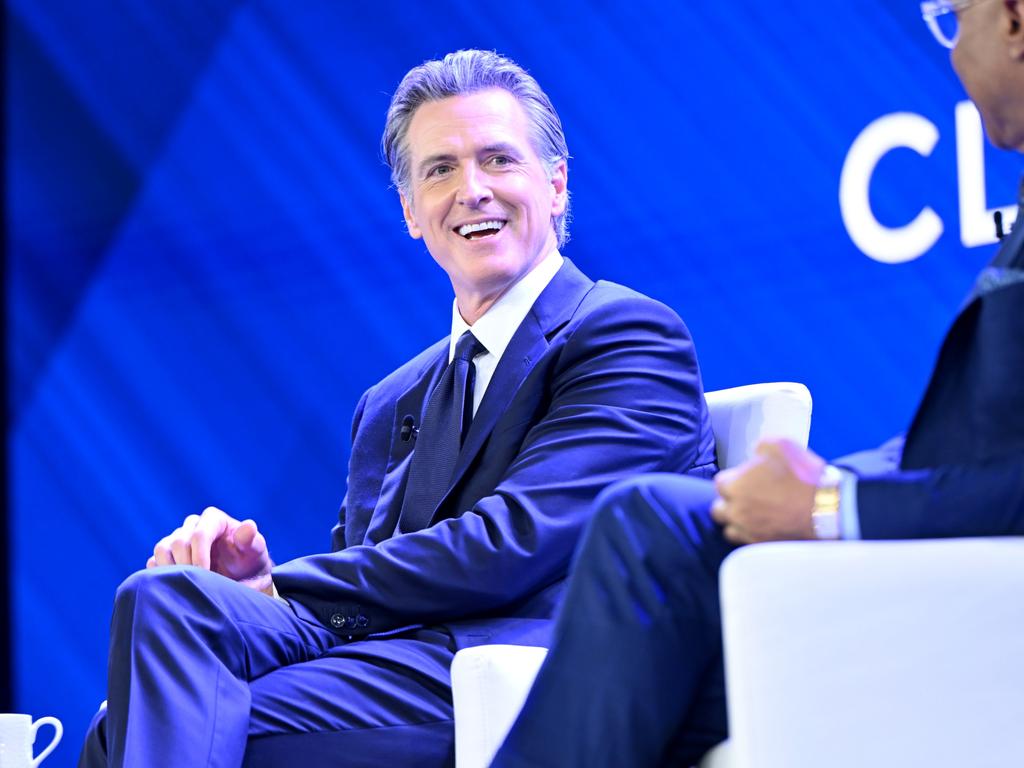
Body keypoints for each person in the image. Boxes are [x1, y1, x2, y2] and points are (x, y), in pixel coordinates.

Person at [77, 50, 717, 768]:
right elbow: (362, 585)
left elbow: (508, 549)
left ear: (557, 184)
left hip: (524, 676)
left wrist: (277, 586)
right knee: (165, 603)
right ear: (412, 212)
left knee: (160, 727)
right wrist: (246, 590)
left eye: (499, 160)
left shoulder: (625, 333)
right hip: (392, 666)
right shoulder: (391, 402)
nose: (472, 190)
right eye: (440, 169)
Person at [490, 1, 1024, 766]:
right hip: (941, 578)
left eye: (952, 18)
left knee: (653, 538)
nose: (950, 51)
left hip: (969, 603)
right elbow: (979, 432)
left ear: (1012, 19)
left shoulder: (617, 330)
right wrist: (832, 479)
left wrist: (829, 505)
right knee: (658, 559)